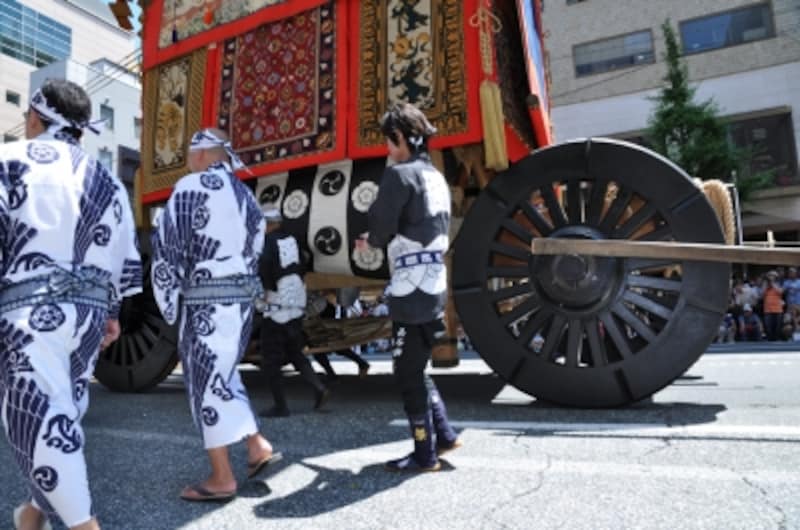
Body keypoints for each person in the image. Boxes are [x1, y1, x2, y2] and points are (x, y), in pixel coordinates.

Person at [0, 80, 141, 530]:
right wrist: (112, 313)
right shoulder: (109, 181)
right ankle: (33, 515)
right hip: (90, 316)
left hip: (30, 311)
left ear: (38, 118)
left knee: (36, 419)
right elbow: (124, 253)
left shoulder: (10, 161)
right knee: (62, 413)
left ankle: (84, 526)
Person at [151, 128, 279, 502]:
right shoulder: (244, 194)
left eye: (191, 154)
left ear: (204, 153)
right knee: (223, 373)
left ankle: (222, 477)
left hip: (204, 300)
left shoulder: (189, 188)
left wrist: (169, 300)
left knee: (205, 382)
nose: (189, 162)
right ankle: (256, 445)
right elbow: (257, 247)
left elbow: (167, 246)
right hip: (239, 304)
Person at [356, 102, 460, 472]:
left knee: (406, 371)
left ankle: (424, 454)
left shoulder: (399, 176)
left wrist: (370, 240)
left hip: (410, 289)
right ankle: (444, 435)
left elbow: (383, 228)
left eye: (389, 141)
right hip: (434, 284)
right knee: (416, 365)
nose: (388, 149)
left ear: (400, 137)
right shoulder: (435, 177)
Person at [257, 207, 330, 417]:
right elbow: (304, 263)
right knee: (295, 351)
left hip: (276, 300)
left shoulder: (267, 242)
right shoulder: (294, 239)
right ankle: (319, 387)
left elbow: (265, 266)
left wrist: (264, 291)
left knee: (270, 357)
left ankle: (280, 406)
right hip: (296, 298)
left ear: (269, 224)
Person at [313, 291, 371, 381]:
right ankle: (361, 364)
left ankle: (332, 374)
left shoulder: (326, 300)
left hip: (324, 328)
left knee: (322, 351)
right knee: (336, 349)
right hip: (324, 327)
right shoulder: (325, 300)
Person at [761, 271, 784, 341]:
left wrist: (772, 283)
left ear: (775, 277)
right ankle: (770, 340)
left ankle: (776, 339)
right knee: (768, 326)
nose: (771, 277)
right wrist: (766, 285)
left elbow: (780, 291)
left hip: (777, 309)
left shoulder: (779, 284)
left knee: (777, 326)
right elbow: (762, 294)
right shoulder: (765, 285)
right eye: (770, 276)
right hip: (767, 309)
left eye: (772, 276)